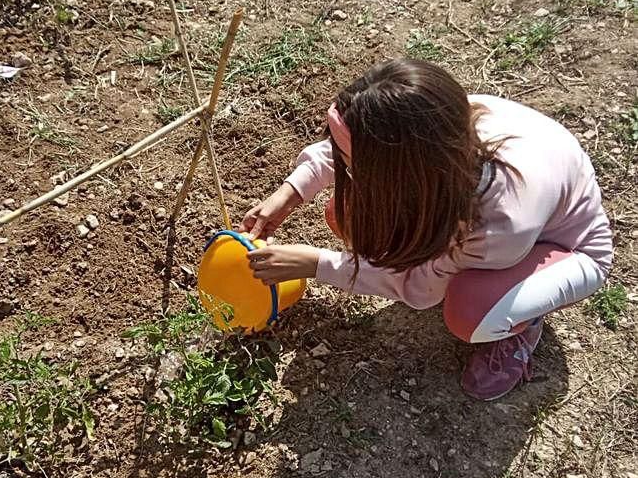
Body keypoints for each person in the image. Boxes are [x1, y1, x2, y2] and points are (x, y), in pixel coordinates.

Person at [240, 59, 613, 401]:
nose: (346, 169)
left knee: (469, 310)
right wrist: (290, 193)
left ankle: (523, 321)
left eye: (356, 166)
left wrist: (315, 263)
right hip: (490, 213)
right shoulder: (432, 123)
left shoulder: (497, 224)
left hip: (568, 248)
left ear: (404, 173)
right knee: (347, 212)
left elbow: (418, 289)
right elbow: (344, 148)